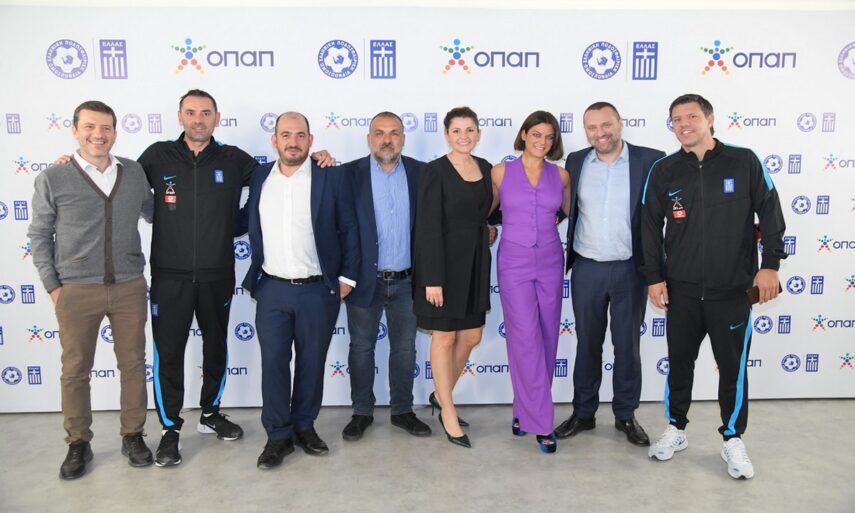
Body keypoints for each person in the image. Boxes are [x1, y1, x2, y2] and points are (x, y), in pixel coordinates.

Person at [135, 90, 334, 467]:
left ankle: (210, 413)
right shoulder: (157, 155)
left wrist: (319, 158)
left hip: (218, 274)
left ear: (217, 118)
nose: (198, 119)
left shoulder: (235, 159)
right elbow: (120, 179)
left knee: (216, 346)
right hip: (168, 275)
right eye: (191, 112)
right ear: (180, 117)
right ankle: (170, 428)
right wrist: (74, 162)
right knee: (169, 352)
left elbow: (282, 172)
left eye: (205, 113)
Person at [641, 93, 786, 479]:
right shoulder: (664, 170)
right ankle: (676, 428)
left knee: (733, 369)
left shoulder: (744, 161)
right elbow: (649, 227)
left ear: (710, 119)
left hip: (732, 291)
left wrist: (770, 265)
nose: (684, 124)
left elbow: (771, 213)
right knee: (679, 365)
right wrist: (653, 277)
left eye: (691, 116)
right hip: (682, 291)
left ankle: (732, 437)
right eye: (676, 119)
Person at [28, 100, 154, 479]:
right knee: (75, 369)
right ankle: (78, 442)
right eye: (90, 127)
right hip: (76, 290)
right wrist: (54, 287)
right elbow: (39, 235)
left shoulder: (133, 172)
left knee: (133, 364)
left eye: (106, 128)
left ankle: (133, 435)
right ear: (75, 130)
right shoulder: (54, 177)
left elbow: (154, 211)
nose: (98, 135)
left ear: (115, 132)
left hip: (129, 286)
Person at [242, 112, 360, 470]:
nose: (292, 142)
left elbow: (349, 227)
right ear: (274, 140)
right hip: (271, 289)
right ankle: (278, 436)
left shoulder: (331, 175)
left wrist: (347, 278)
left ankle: (304, 427)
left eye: (299, 135)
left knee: (311, 363)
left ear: (311, 140)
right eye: (285, 135)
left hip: (318, 291)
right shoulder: (260, 176)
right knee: (274, 364)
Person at [554, 102, 665, 447]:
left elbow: (667, 213)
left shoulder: (651, 160)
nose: (600, 133)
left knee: (627, 346)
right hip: (587, 267)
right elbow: (560, 207)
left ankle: (625, 414)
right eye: (592, 127)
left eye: (606, 125)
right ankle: (583, 413)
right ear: (585, 130)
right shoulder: (575, 162)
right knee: (587, 343)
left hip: (631, 269)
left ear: (620, 123)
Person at [340, 112, 431, 441]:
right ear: (369, 139)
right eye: (379, 133)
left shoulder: (422, 173)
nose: (387, 140)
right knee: (361, 348)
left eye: (394, 133)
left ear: (403, 138)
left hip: (408, 280)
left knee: (405, 349)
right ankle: (361, 412)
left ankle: (402, 410)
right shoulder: (348, 174)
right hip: (363, 279)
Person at [489, 111, 570, 453]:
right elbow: (486, 210)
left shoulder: (561, 175)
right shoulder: (500, 172)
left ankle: (524, 410)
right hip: (514, 261)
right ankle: (541, 423)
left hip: (550, 260)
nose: (542, 142)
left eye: (549, 137)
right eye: (536, 134)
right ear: (523, 134)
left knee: (548, 336)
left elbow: (567, 212)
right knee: (524, 338)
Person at [413, 106, 492, 449]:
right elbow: (427, 226)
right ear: (446, 134)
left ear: (478, 133)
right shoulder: (435, 171)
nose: (464, 136)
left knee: (471, 336)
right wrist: (432, 278)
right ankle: (448, 410)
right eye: (457, 130)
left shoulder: (486, 167)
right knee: (444, 338)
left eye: (470, 130)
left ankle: (440, 394)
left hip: (475, 263)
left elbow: (492, 211)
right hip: (442, 267)